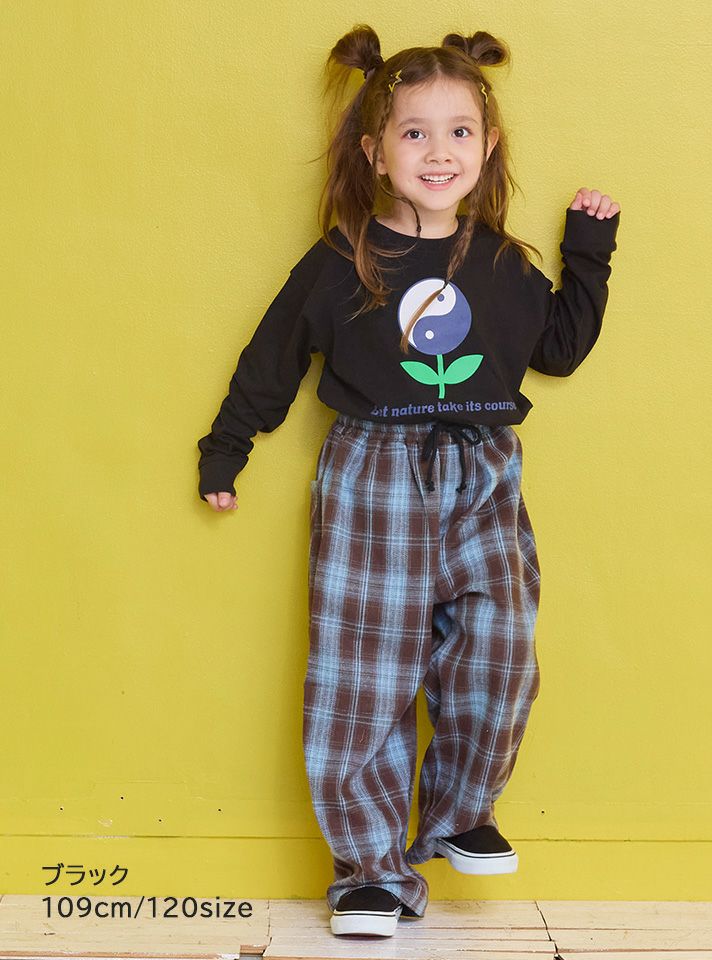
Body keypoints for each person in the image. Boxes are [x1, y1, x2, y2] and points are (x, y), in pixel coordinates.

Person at [196, 25, 620, 939]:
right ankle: (369, 874)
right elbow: (273, 359)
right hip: (374, 474)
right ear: (374, 151)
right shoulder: (339, 260)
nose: (438, 152)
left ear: (488, 145)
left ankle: (462, 812)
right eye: (414, 132)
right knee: (365, 672)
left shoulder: (501, 263)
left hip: (484, 468)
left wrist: (589, 252)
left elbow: (557, 350)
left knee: (500, 648)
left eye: (459, 131)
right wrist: (227, 447)